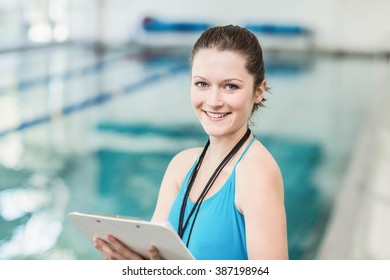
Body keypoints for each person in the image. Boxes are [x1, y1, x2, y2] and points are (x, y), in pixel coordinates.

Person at [94, 24, 288, 260]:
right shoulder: (182, 165)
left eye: (230, 86)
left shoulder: (256, 173)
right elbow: (156, 256)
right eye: (202, 84)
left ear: (259, 91)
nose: (214, 101)